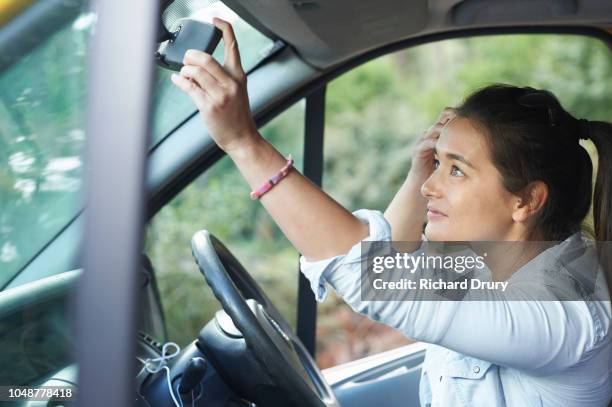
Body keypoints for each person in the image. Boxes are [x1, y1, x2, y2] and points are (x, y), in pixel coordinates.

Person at [171, 18, 612, 406]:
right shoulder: (491, 260)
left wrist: (244, 145)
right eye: (436, 164)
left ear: (526, 200)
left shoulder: (566, 312)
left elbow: (369, 276)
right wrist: (420, 172)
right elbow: (389, 261)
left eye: (456, 171)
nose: (429, 186)